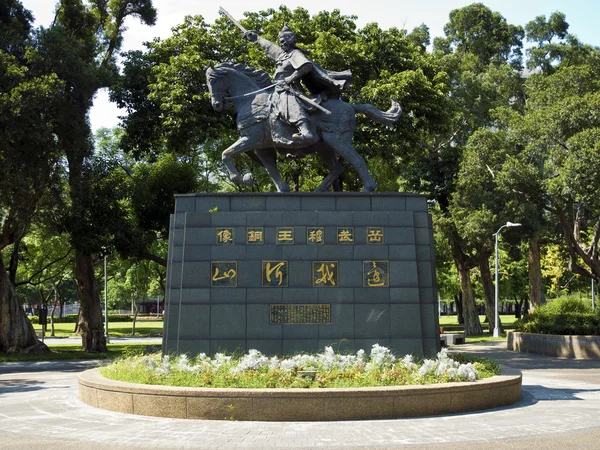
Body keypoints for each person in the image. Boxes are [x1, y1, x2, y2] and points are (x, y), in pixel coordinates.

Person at [243, 25, 352, 144]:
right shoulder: (281, 54)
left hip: (290, 89)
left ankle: (305, 131)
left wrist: (290, 78)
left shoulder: (295, 53)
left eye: (284, 41)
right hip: (278, 88)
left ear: (290, 40)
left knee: (287, 101)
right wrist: (256, 38)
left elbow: (306, 66)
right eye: (280, 41)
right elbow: (268, 46)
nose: (281, 43)